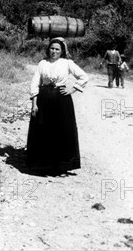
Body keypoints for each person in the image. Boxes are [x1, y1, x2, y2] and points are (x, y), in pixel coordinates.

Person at [27, 37, 89, 174]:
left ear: (62, 51)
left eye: (57, 49)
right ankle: (42, 165)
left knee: (61, 130)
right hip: (43, 98)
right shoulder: (42, 63)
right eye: (52, 48)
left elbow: (83, 76)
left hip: (62, 100)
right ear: (48, 49)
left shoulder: (67, 63)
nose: (54, 51)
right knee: (43, 130)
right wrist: (34, 103)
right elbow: (35, 82)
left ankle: (60, 165)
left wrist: (72, 89)